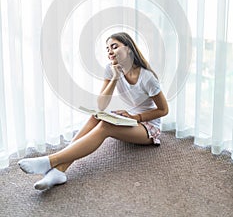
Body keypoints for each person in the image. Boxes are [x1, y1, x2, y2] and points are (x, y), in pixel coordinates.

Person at [18, 32, 168, 190]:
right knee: (96, 116)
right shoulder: (111, 70)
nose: (109, 51)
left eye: (114, 46)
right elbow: (101, 105)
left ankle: (49, 161)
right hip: (130, 119)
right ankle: (59, 171)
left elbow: (164, 110)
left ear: (129, 49)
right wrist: (115, 78)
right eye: (107, 48)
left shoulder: (147, 77)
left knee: (106, 126)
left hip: (148, 127)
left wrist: (135, 117)